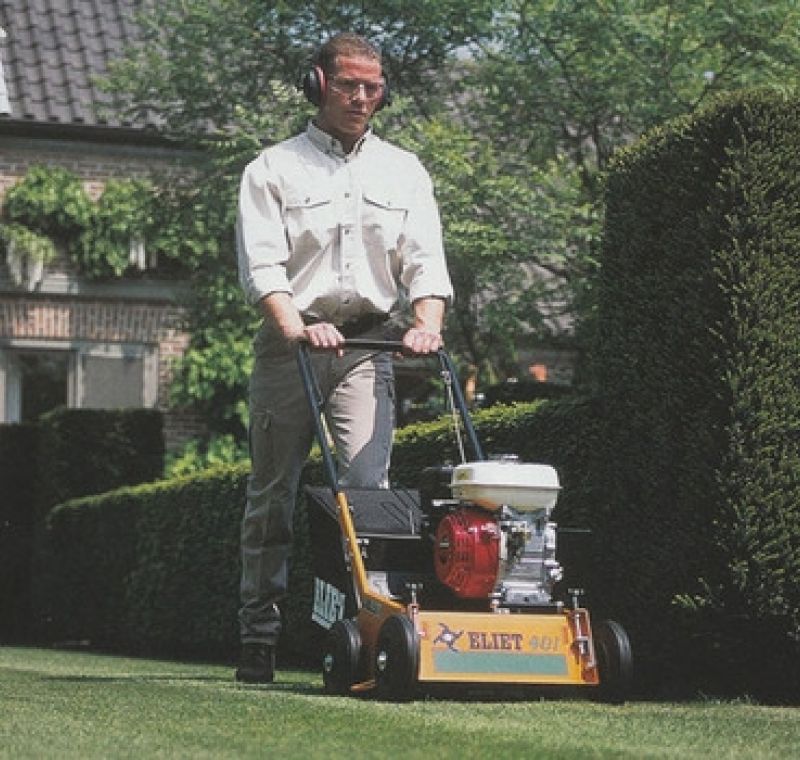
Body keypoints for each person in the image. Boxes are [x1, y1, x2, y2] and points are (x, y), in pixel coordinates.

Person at [234, 32, 453, 683]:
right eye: (350, 84)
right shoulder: (273, 169)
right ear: (318, 84)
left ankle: (369, 636)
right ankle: (259, 637)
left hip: (366, 346)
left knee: (367, 494)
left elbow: (426, 260)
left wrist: (426, 323)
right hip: (289, 346)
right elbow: (263, 267)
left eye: (373, 86)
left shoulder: (404, 170)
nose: (362, 97)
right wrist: (298, 324)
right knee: (271, 495)